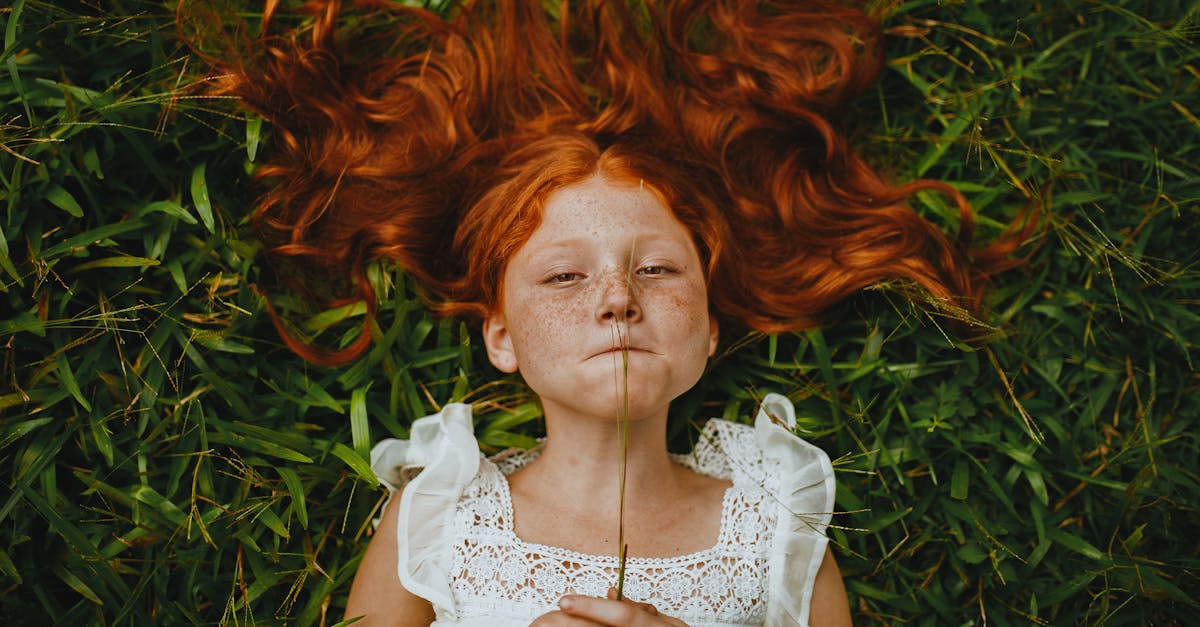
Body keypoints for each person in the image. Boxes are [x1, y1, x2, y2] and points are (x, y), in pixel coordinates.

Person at [181, 0, 1028, 624]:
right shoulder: (441, 511)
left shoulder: (771, 527)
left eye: (657, 268)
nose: (618, 296)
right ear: (501, 337)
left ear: (710, 330)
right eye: (562, 278)